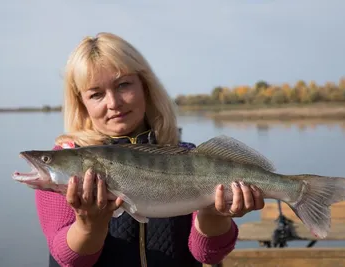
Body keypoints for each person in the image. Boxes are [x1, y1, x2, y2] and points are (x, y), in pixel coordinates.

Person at [35, 32, 265, 267]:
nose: (113, 103)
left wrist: (214, 214)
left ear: (145, 86)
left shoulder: (187, 155)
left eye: (123, 85)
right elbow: (69, 261)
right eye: (96, 94)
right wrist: (88, 226)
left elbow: (207, 255)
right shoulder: (64, 159)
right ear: (81, 102)